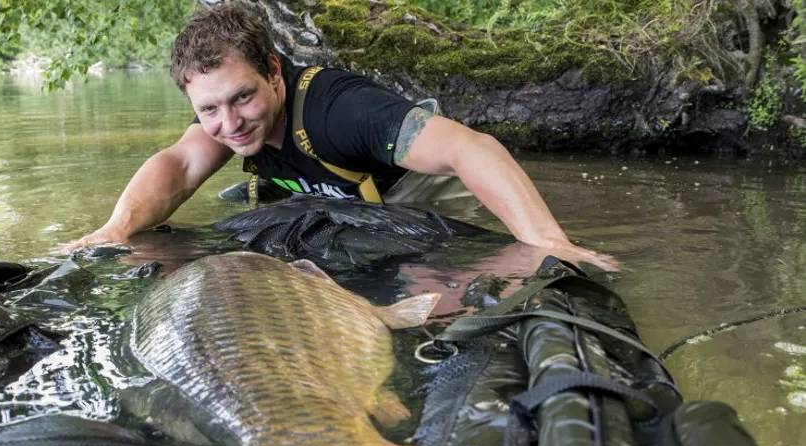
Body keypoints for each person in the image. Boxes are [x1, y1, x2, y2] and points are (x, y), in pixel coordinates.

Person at [57, 2, 616, 271]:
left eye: (243, 97)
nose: (229, 124)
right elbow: (177, 167)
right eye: (210, 109)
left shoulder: (340, 110)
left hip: (413, 197)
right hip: (342, 204)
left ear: (274, 72)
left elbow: (475, 149)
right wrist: (115, 229)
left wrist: (548, 244)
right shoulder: (225, 125)